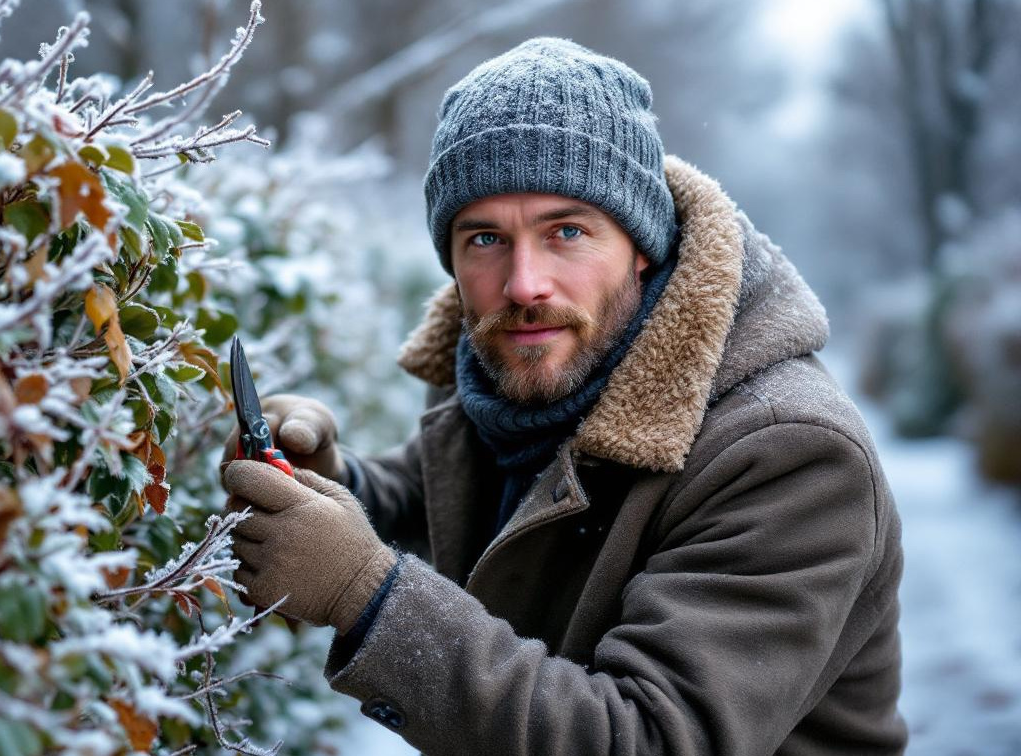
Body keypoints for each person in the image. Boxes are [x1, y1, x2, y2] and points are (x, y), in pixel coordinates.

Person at [220, 37, 907, 755]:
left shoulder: (790, 454)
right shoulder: (514, 379)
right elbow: (480, 511)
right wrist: (338, 482)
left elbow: (648, 739)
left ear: (643, 244)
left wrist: (364, 593)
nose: (523, 285)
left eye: (567, 232)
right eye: (484, 238)